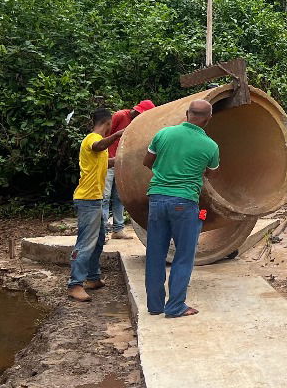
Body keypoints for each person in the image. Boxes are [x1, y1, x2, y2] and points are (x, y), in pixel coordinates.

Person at [141, 98, 219, 318]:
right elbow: (211, 174)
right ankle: (175, 306)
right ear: (208, 119)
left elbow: (148, 161)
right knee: (183, 256)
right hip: (184, 203)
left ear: (187, 113)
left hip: (156, 199)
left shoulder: (163, 134)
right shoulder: (210, 146)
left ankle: (155, 306)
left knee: (155, 254)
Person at [68, 108, 128, 303]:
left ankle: (92, 278)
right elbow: (98, 146)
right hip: (88, 200)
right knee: (86, 243)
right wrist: (117, 135)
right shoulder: (91, 139)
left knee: (99, 240)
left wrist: (123, 160)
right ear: (109, 123)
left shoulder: (99, 147)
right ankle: (75, 284)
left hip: (96, 199)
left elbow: (105, 162)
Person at [102, 99, 156, 239]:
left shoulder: (139, 123)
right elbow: (104, 135)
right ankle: (103, 231)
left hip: (122, 163)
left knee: (120, 197)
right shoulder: (121, 115)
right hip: (108, 161)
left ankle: (118, 229)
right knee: (105, 197)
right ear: (136, 111)